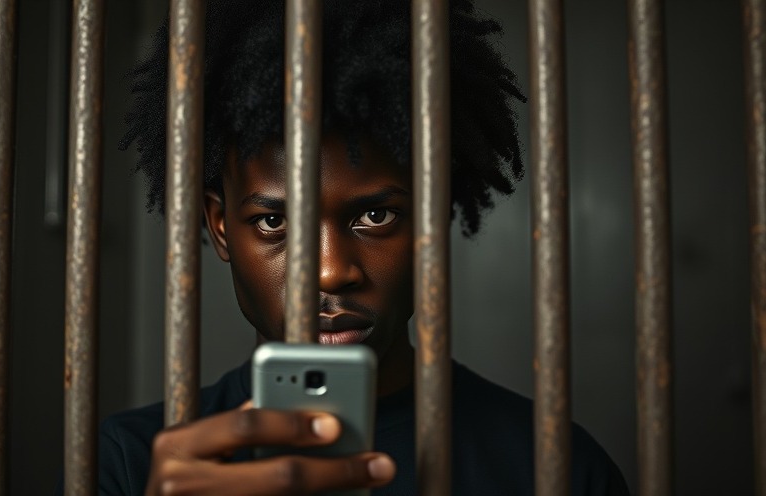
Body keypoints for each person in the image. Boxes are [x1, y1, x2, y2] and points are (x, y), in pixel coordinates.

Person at [107, 0, 630, 494]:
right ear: (220, 226)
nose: (331, 272)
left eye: (375, 216)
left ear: (431, 216)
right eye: (273, 221)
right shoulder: (129, 466)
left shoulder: (556, 468)